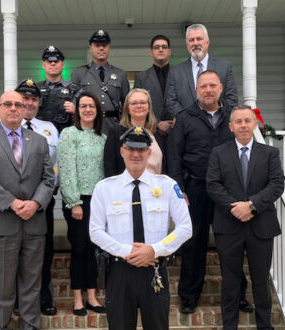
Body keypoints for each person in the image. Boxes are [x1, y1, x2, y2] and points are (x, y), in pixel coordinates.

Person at [89, 126, 193, 330]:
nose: (135, 154)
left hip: (154, 270)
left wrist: (154, 250)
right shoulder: (105, 188)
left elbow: (185, 227)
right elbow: (95, 231)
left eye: (141, 149)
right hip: (120, 272)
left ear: (149, 152)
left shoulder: (167, 185)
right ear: (122, 151)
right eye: (130, 149)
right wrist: (129, 252)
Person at [167, 70, 251, 314]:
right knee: (193, 244)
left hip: (228, 191)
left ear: (221, 88)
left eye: (212, 85)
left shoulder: (233, 117)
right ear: (197, 89)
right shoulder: (184, 118)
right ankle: (189, 296)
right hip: (196, 188)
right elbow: (174, 157)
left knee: (232, 245)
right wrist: (180, 190)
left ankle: (238, 296)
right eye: (203, 86)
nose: (208, 90)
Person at [0, 90, 55, 330]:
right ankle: (2, 326)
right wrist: (12, 202)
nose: (14, 108)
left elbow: (48, 179)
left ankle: (31, 326)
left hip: (33, 223)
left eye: (18, 104)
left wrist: (36, 203)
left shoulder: (38, 141)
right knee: (2, 285)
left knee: (31, 283)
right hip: (1, 222)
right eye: (8, 104)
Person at [206, 106, 285, 330]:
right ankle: (229, 326)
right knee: (230, 282)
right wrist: (236, 208)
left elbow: (277, 183)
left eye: (247, 121)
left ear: (254, 124)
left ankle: (264, 326)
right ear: (231, 127)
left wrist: (251, 206)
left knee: (261, 280)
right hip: (228, 225)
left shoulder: (270, 153)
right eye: (238, 122)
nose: (243, 125)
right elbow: (213, 184)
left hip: (261, 224)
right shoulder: (219, 153)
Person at [0, 80, 60, 316]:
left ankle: (44, 297)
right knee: (10, 260)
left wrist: (40, 200)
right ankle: (15, 304)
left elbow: (54, 168)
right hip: (6, 207)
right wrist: (11, 201)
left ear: (38, 103)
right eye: (24, 99)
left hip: (41, 203)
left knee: (43, 253)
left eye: (33, 100)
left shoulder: (48, 129)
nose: (28, 104)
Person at [57, 92, 107, 316]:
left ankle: (92, 297)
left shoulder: (102, 137)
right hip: (77, 200)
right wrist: (73, 201)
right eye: (83, 106)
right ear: (77, 110)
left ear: (97, 110)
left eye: (92, 106)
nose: (88, 110)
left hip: (97, 201)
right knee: (79, 248)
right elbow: (66, 169)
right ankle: (77, 298)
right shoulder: (69, 134)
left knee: (92, 248)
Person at [165, 23, 238, 120]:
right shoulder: (176, 71)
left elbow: (232, 99)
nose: (195, 43)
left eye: (199, 39)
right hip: (188, 129)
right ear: (187, 44)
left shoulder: (224, 67)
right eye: (191, 40)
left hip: (218, 128)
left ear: (207, 42)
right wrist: (187, 120)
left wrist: (215, 119)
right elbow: (171, 102)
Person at [71, 29, 130, 125]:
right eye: (97, 45)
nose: (101, 48)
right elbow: (73, 104)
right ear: (90, 48)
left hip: (113, 126)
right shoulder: (79, 73)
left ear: (109, 48)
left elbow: (127, 105)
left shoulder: (120, 74)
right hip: (88, 126)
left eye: (104, 45)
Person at [103, 88, 166, 177]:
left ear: (149, 108)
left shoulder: (158, 133)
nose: (139, 106)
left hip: (155, 189)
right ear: (127, 108)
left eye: (143, 102)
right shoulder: (116, 133)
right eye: (134, 103)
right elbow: (110, 168)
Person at [134, 35, 174, 135]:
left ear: (169, 51)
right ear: (151, 52)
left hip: (177, 130)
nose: (160, 50)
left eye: (164, 47)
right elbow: (137, 105)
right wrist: (157, 123)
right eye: (156, 47)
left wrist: (175, 121)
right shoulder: (141, 78)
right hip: (150, 130)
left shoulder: (180, 74)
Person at [36, 45, 79, 133]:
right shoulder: (35, 88)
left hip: (66, 138)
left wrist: (76, 111)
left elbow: (88, 114)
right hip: (39, 137)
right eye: (49, 61)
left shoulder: (75, 90)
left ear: (63, 65)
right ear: (43, 65)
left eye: (56, 61)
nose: (53, 63)